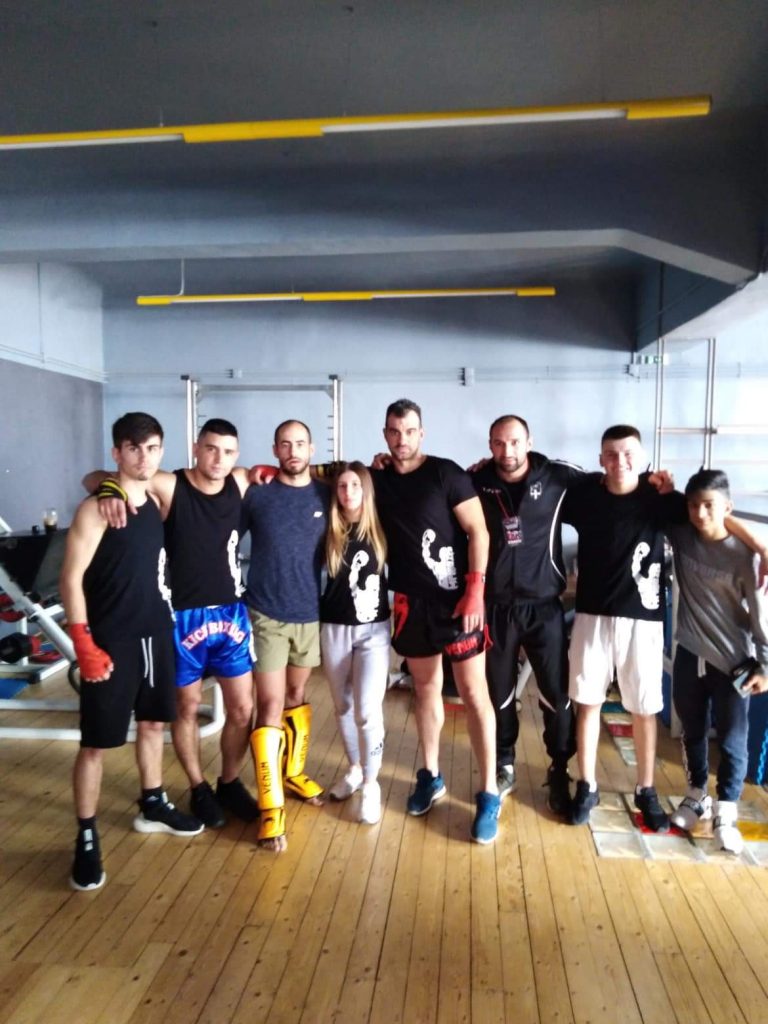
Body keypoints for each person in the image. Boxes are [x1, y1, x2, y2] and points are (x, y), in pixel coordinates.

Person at [84, 419, 258, 829]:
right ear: (196, 448)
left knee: (242, 708)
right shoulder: (170, 484)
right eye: (210, 449)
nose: (218, 459)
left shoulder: (240, 480)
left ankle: (229, 782)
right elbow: (93, 476)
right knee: (186, 707)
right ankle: (198, 787)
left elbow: (291, 469)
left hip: (231, 613)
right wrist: (108, 488)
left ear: (236, 454)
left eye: (228, 451)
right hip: (181, 616)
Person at [61, 412, 203, 892]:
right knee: (96, 743)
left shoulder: (158, 500)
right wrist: (82, 642)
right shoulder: (96, 509)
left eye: (153, 448)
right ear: (118, 452)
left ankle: (153, 802)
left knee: (153, 724)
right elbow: (70, 579)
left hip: (156, 633)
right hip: (112, 639)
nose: (145, 457)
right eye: (134, 448)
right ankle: (86, 833)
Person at [372, 399, 500, 844]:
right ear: (385, 434)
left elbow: (478, 531)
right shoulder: (379, 477)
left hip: (458, 601)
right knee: (425, 689)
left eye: (409, 431)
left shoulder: (446, 474)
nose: (401, 439)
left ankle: (489, 791)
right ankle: (430, 775)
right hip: (411, 602)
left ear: (421, 433)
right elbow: (335, 476)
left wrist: (475, 590)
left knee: (473, 693)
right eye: (394, 431)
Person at [561, 425, 688, 831]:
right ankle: (587, 785)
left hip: (643, 620)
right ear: (601, 459)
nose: (620, 462)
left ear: (642, 456)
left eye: (628, 453)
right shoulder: (584, 495)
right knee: (587, 702)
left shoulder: (659, 498)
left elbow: (709, 516)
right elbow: (541, 475)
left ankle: (646, 789)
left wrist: (760, 548)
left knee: (644, 707)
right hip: (591, 615)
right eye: (612, 455)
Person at [471, 414, 582, 815]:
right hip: (496, 607)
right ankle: (504, 764)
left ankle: (559, 768)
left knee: (556, 692)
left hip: (544, 607)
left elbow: (611, 488)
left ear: (529, 442)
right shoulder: (477, 481)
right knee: (498, 691)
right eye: (500, 443)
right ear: (490, 445)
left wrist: (652, 484)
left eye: (515, 442)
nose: (508, 451)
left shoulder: (558, 477)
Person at [667, 469, 768, 853]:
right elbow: (668, 506)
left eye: (709, 506)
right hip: (690, 651)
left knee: (732, 738)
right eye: (694, 505)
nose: (700, 513)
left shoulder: (745, 557)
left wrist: (766, 665)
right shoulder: (681, 535)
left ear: (727, 507)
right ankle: (697, 795)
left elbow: (761, 616)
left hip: (733, 660)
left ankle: (726, 810)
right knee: (691, 728)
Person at [243, 419, 329, 852]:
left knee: (296, 696)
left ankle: (292, 773)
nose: (293, 451)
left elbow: (362, 477)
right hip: (266, 614)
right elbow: (220, 529)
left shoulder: (327, 493)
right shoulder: (257, 493)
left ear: (312, 449)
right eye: (285, 444)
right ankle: (270, 807)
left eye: (300, 444)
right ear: (275, 449)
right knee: (271, 705)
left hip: (309, 614)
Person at [321, 462, 390, 825]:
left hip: (373, 630)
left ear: (366, 489)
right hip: (334, 627)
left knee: (367, 709)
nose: (348, 492)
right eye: (342, 486)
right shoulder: (328, 527)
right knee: (343, 706)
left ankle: (371, 784)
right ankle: (355, 769)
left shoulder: (381, 525)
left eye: (355, 485)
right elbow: (308, 474)